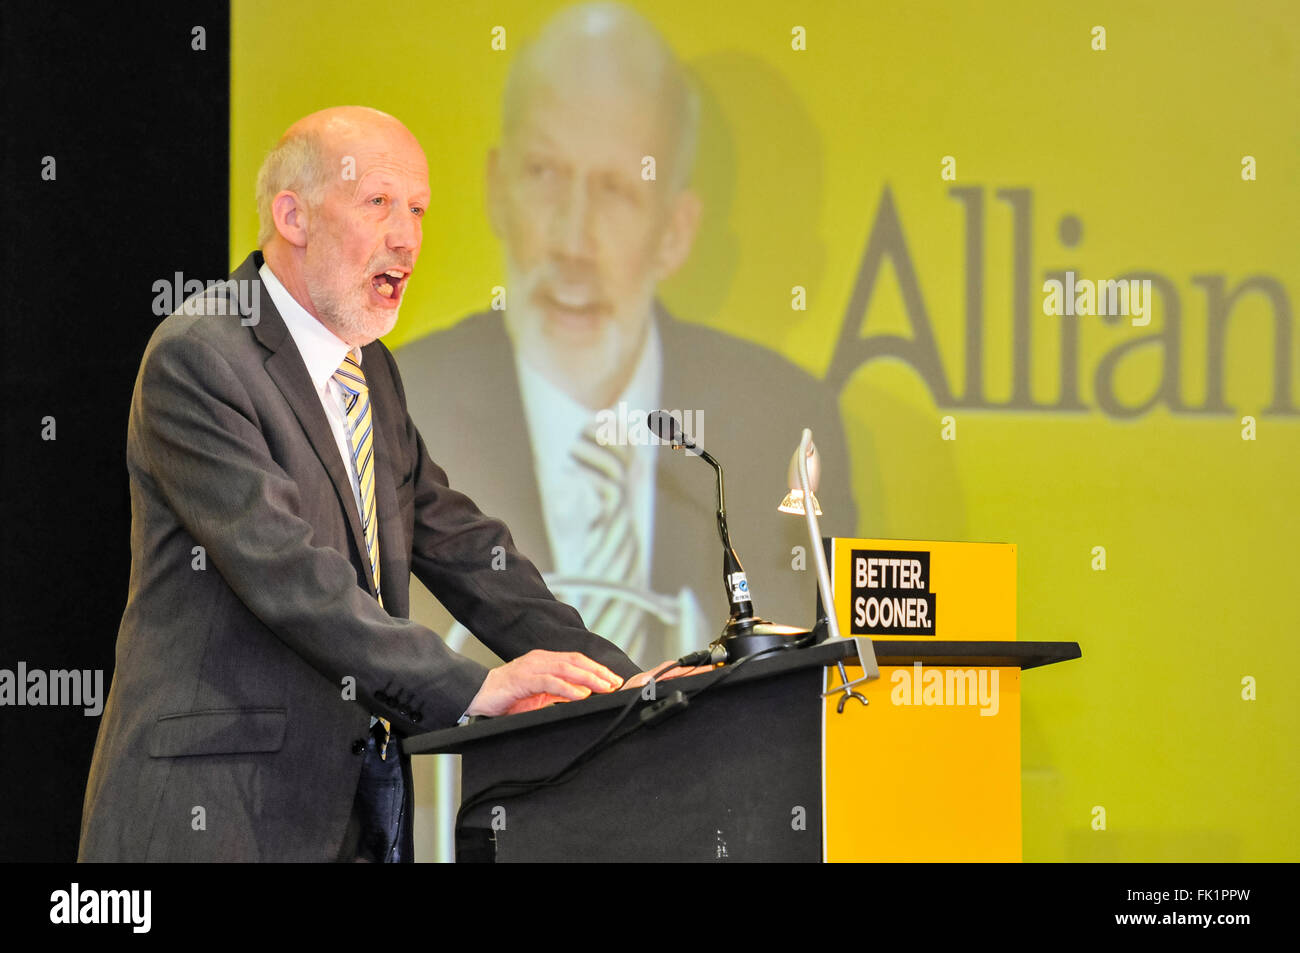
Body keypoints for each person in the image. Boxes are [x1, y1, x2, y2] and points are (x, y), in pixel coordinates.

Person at [78, 106, 689, 863]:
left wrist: (626, 682)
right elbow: (292, 576)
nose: (408, 237)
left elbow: (463, 547)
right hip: (215, 812)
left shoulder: (370, 372)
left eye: (419, 210)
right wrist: (470, 687)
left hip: (351, 815)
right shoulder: (201, 356)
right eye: (379, 203)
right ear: (292, 216)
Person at [396, 3, 856, 670]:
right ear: (497, 189)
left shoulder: (779, 421)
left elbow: (820, 679)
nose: (574, 240)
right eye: (545, 175)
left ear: (675, 230)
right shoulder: (405, 399)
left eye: (616, 190)